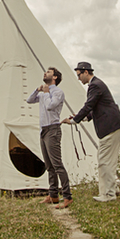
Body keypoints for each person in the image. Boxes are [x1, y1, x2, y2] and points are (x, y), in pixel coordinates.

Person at [62, 62, 120, 202]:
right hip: (115, 124)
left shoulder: (94, 85)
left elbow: (89, 105)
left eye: (79, 75)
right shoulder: (97, 84)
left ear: (86, 72)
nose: (78, 78)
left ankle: (108, 194)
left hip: (110, 126)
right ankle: (113, 188)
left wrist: (74, 120)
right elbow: (95, 108)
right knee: (110, 160)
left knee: (104, 161)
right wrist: (82, 118)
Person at [27, 67, 72, 209]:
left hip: (53, 129)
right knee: (49, 166)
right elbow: (29, 100)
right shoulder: (43, 93)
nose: (45, 73)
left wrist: (46, 93)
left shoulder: (58, 93)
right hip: (43, 130)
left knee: (57, 164)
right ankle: (53, 195)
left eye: (48, 72)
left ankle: (67, 196)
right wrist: (38, 90)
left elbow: (50, 106)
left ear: (55, 78)